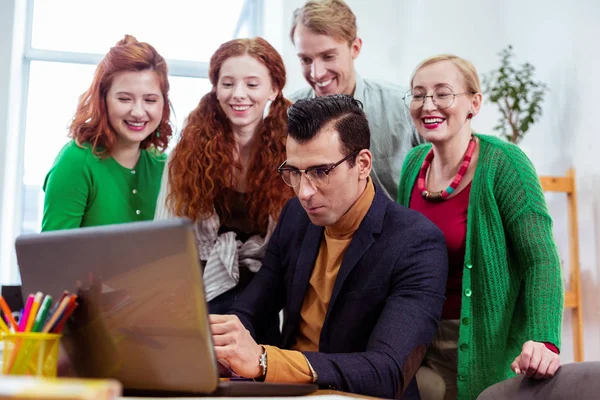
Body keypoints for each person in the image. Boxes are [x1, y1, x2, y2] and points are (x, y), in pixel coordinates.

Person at [209, 95, 448, 399]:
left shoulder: (417, 242)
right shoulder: (296, 215)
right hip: (288, 391)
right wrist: (218, 340)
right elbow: (252, 308)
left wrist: (264, 361)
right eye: (294, 172)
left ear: (362, 164)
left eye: (321, 172)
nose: (304, 192)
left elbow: (387, 370)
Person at [397, 54, 564, 400]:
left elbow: (542, 261)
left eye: (443, 93)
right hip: (418, 341)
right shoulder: (413, 165)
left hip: (483, 343)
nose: (428, 105)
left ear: (474, 103)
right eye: (418, 94)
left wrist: (544, 338)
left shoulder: (505, 164)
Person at [154, 38, 293, 343]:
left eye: (252, 84)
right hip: (200, 287)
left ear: (274, 89)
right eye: (227, 83)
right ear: (215, 88)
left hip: (269, 292)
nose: (238, 94)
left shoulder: (295, 152)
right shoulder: (187, 154)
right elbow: (164, 241)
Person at [288, 0, 422, 200]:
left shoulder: (405, 106)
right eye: (305, 60)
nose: (316, 73)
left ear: (355, 48)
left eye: (328, 56)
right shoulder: (287, 113)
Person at [42, 35, 172, 231]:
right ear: (103, 100)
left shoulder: (162, 165)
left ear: (163, 103)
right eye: (124, 99)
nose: (138, 112)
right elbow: (50, 256)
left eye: (150, 100)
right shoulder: (76, 161)